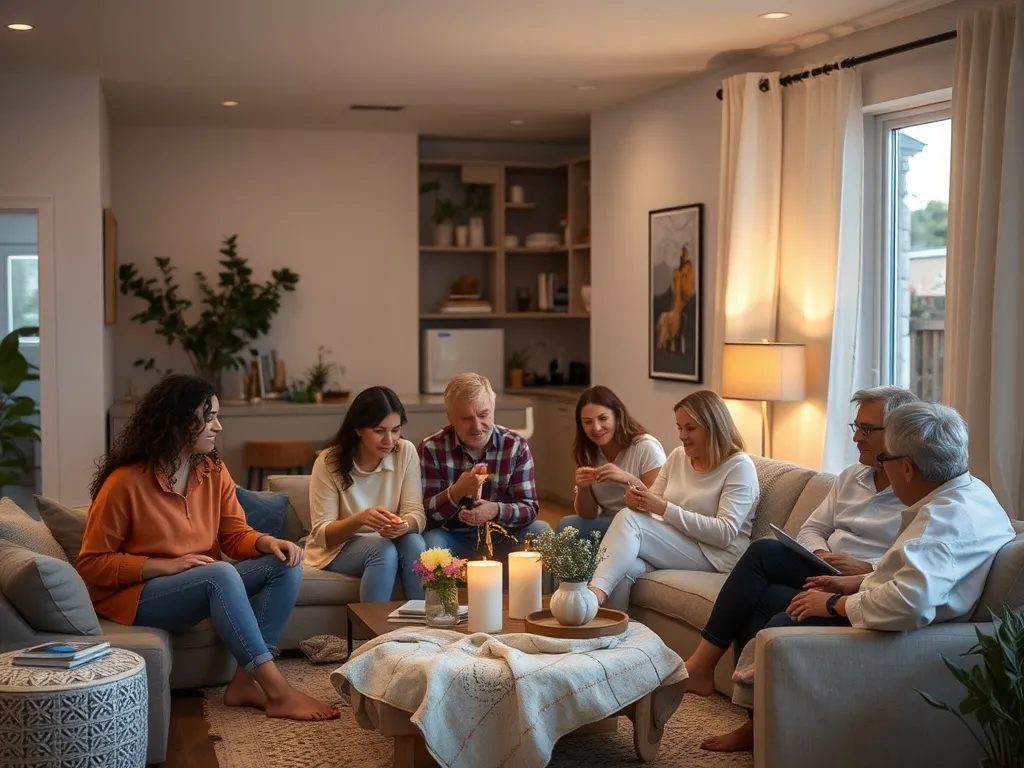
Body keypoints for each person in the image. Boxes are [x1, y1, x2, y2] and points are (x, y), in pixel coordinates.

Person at [693, 401, 1017, 753]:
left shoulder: (941, 522)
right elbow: (917, 574)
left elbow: (910, 603)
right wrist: (857, 582)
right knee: (767, 581)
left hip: (894, 632)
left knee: (782, 614)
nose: (883, 469)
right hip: (879, 604)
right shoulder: (973, 494)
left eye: (886, 461)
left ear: (906, 468)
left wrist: (834, 604)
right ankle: (749, 717)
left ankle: (755, 723)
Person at [77, 374, 337, 721]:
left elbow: (233, 534)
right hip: (139, 596)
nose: (219, 425)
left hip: (202, 582)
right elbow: (92, 563)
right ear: (182, 421)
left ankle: (244, 683)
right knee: (219, 573)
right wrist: (160, 565)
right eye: (210, 416)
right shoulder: (125, 482)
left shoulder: (214, 470)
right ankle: (277, 690)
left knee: (284, 563)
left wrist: (266, 541)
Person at [684, 385, 918, 751]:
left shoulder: (916, 489)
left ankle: (731, 701)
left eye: (867, 429)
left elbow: (907, 564)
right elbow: (811, 528)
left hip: (864, 585)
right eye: (854, 426)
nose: (856, 437)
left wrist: (864, 568)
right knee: (764, 552)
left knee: (767, 597)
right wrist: (820, 552)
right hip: (819, 569)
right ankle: (711, 675)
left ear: (900, 431)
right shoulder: (850, 478)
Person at [588, 390, 759, 611]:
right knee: (625, 568)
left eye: (690, 428)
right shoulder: (678, 456)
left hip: (716, 557)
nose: (682, 435)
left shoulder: (739, 467)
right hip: (678, 542)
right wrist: (637, 501)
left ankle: (593, 596)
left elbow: (724, 534)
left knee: (629, 520)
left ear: (714, 427)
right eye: (679, 427)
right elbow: (654, 502)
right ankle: (612, 635)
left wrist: (663, 508)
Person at [306, 386, 427, 602]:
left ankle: (421, 631)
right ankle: (372, 634)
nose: (389, 440)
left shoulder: (405, 452)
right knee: (382, 550)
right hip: (339, 547)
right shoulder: (328, 462)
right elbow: (322, 534)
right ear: (358, 429)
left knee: (415, 543)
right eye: (379, 431)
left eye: (395, 430)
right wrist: (361, 518)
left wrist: (404, 525)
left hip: (389, 540)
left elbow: (416, 513)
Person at [419, 373, 549, 563]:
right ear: (450, 417)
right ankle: (444, 593)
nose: (477, 426)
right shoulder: (431, 448)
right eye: (466, 418)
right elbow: (426, 516)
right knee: (431, 542)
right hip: (452, 536)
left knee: (541, 531)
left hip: (503, 535)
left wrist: (495, 510)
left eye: (483, 415)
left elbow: (529, 508)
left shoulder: (515, 446)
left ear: (493, 408)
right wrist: (456, 492)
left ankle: (537, 593)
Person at [559, 385, 666, 539]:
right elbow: (587, 515)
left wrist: (628, 479)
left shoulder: (645, 447)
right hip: (609, 522)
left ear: (617, 416)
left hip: (643, 525)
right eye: (587, 422)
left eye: (603, 418)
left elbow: (659, 507)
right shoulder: (588, 452)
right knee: (568, 526)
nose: (596, 428)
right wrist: (583, 488)